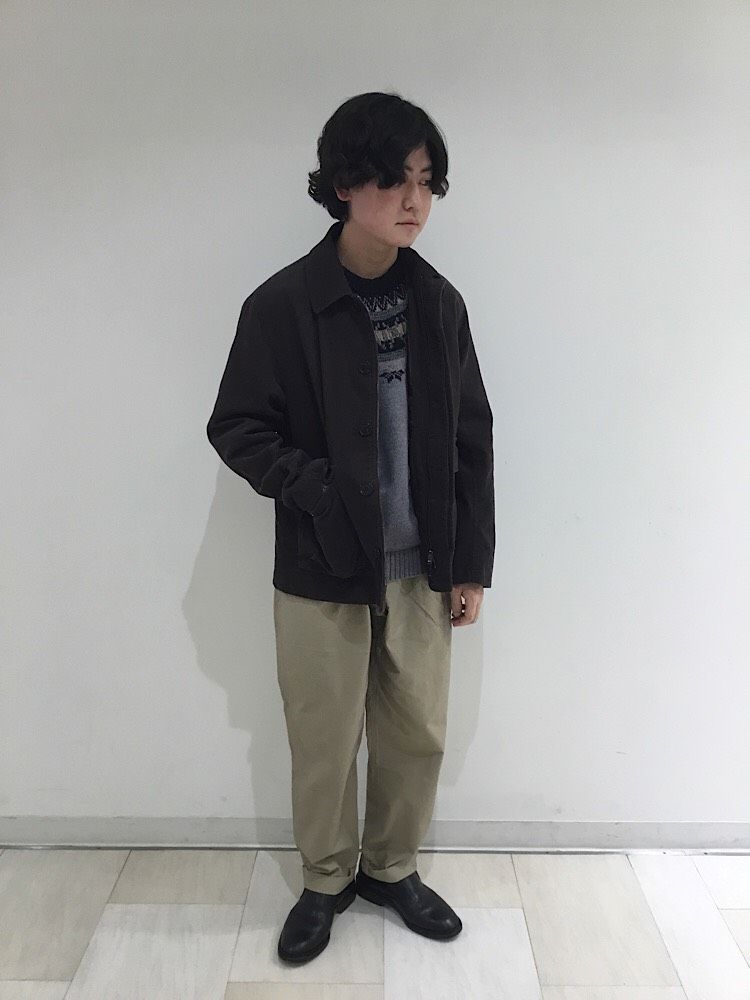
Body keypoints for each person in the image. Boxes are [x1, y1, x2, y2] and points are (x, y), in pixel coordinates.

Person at [206, 91, 495, 965]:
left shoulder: (439, 303)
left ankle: (391, 868)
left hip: (422, 566)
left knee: (417, 734)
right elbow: (238, 427)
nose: (414, 200)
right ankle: (326, 880)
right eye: (393, 178)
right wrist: (321, 490)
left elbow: (473, 438)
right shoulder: (283, 305)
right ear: (342, 185)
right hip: (322, 565)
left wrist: (469, 563)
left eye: (426, 181)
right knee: (324, 738)